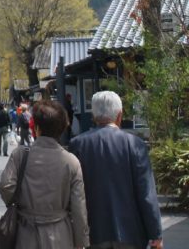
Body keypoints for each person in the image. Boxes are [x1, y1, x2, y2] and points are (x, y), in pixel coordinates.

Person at [69, 91, 163, 249]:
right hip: (131, 233)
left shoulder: (77, 145)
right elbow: (146, 192)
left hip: (93, 231)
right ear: (119, 115)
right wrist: (156, 234)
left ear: (93, 115)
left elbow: (73, 192)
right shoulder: (135, 144)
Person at [0, 100, 89, 249]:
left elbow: (5, 185)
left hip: (26, 232)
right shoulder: (71, 162)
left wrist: (17, 202)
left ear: (37, 128)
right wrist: (81, 241)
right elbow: (79, 207)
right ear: (62, 128)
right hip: (60, 234)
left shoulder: (20, 155)